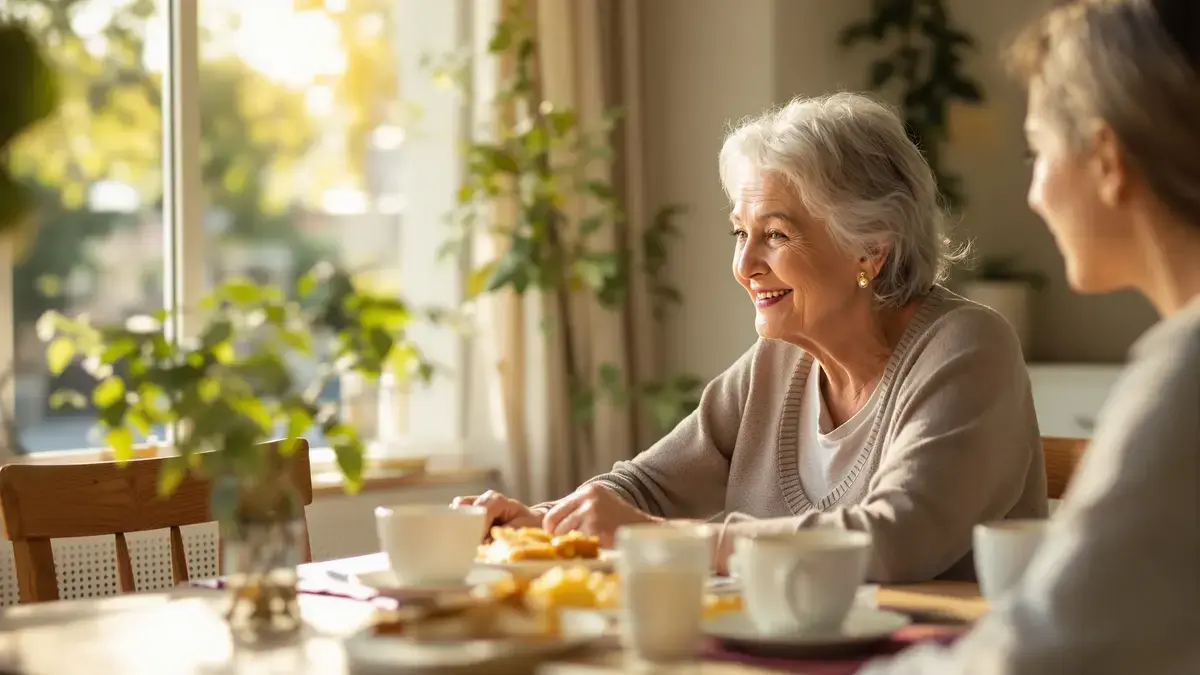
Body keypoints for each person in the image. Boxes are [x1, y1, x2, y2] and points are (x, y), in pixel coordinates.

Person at [455, 92, 1047, 583]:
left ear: (870, 246)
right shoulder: (779, 361)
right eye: (741, 232)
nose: (745, 266)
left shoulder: (968, 347)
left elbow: (892, 541)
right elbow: (648, 486)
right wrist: (537, 520)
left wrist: (661, 538)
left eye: (777, 235)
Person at [860, 0, 1200, 672]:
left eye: (1037, 151)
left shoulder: (1185, 373)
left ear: (1106, 159)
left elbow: (1043, 653)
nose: (1034, 193)